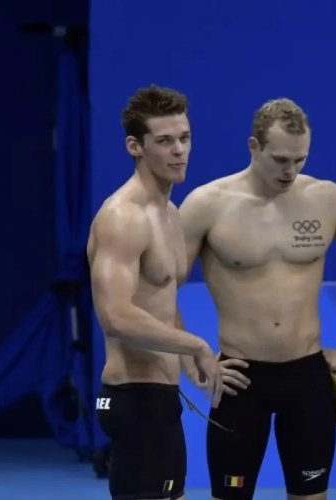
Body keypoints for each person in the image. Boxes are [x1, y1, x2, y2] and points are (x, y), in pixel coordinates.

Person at [176, 98, 336, 500]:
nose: (290, 171)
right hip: (240, 378)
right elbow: (161, 287)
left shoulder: (327, 199)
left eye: (300, 159)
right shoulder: (207, 205)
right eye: (280, 159)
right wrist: (190, 357)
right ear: (253, 147)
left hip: (308, 378)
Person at [88, 85, 223, 500]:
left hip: (161, 397)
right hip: (133, 397)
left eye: (184, 138)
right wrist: (195, 345)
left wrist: (188, 363)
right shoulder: (122, 217)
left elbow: (161, 303)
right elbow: (116, 315)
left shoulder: (170, 213)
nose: (179, 150)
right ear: (135, 146)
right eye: (164, 141)